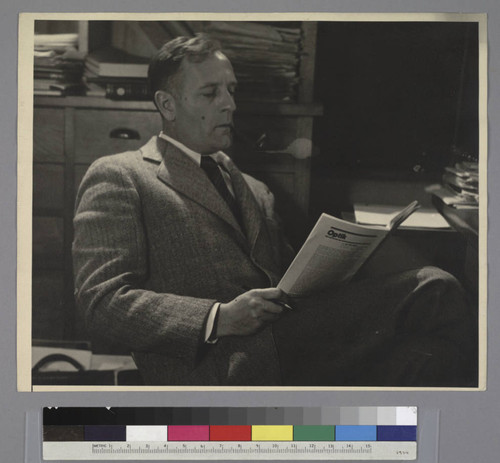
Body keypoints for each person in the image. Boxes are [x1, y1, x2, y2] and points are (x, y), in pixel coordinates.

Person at [72, 35, 476, 387]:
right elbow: (101, 303)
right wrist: (219, 317)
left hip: (287, 345)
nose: (230, 104)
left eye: (232, 90)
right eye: (211, 93)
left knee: (427, 358)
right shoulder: (120, 176)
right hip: (221, 365)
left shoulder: (254, 189)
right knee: (433, 285)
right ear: (167, 104)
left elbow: (289, 283)